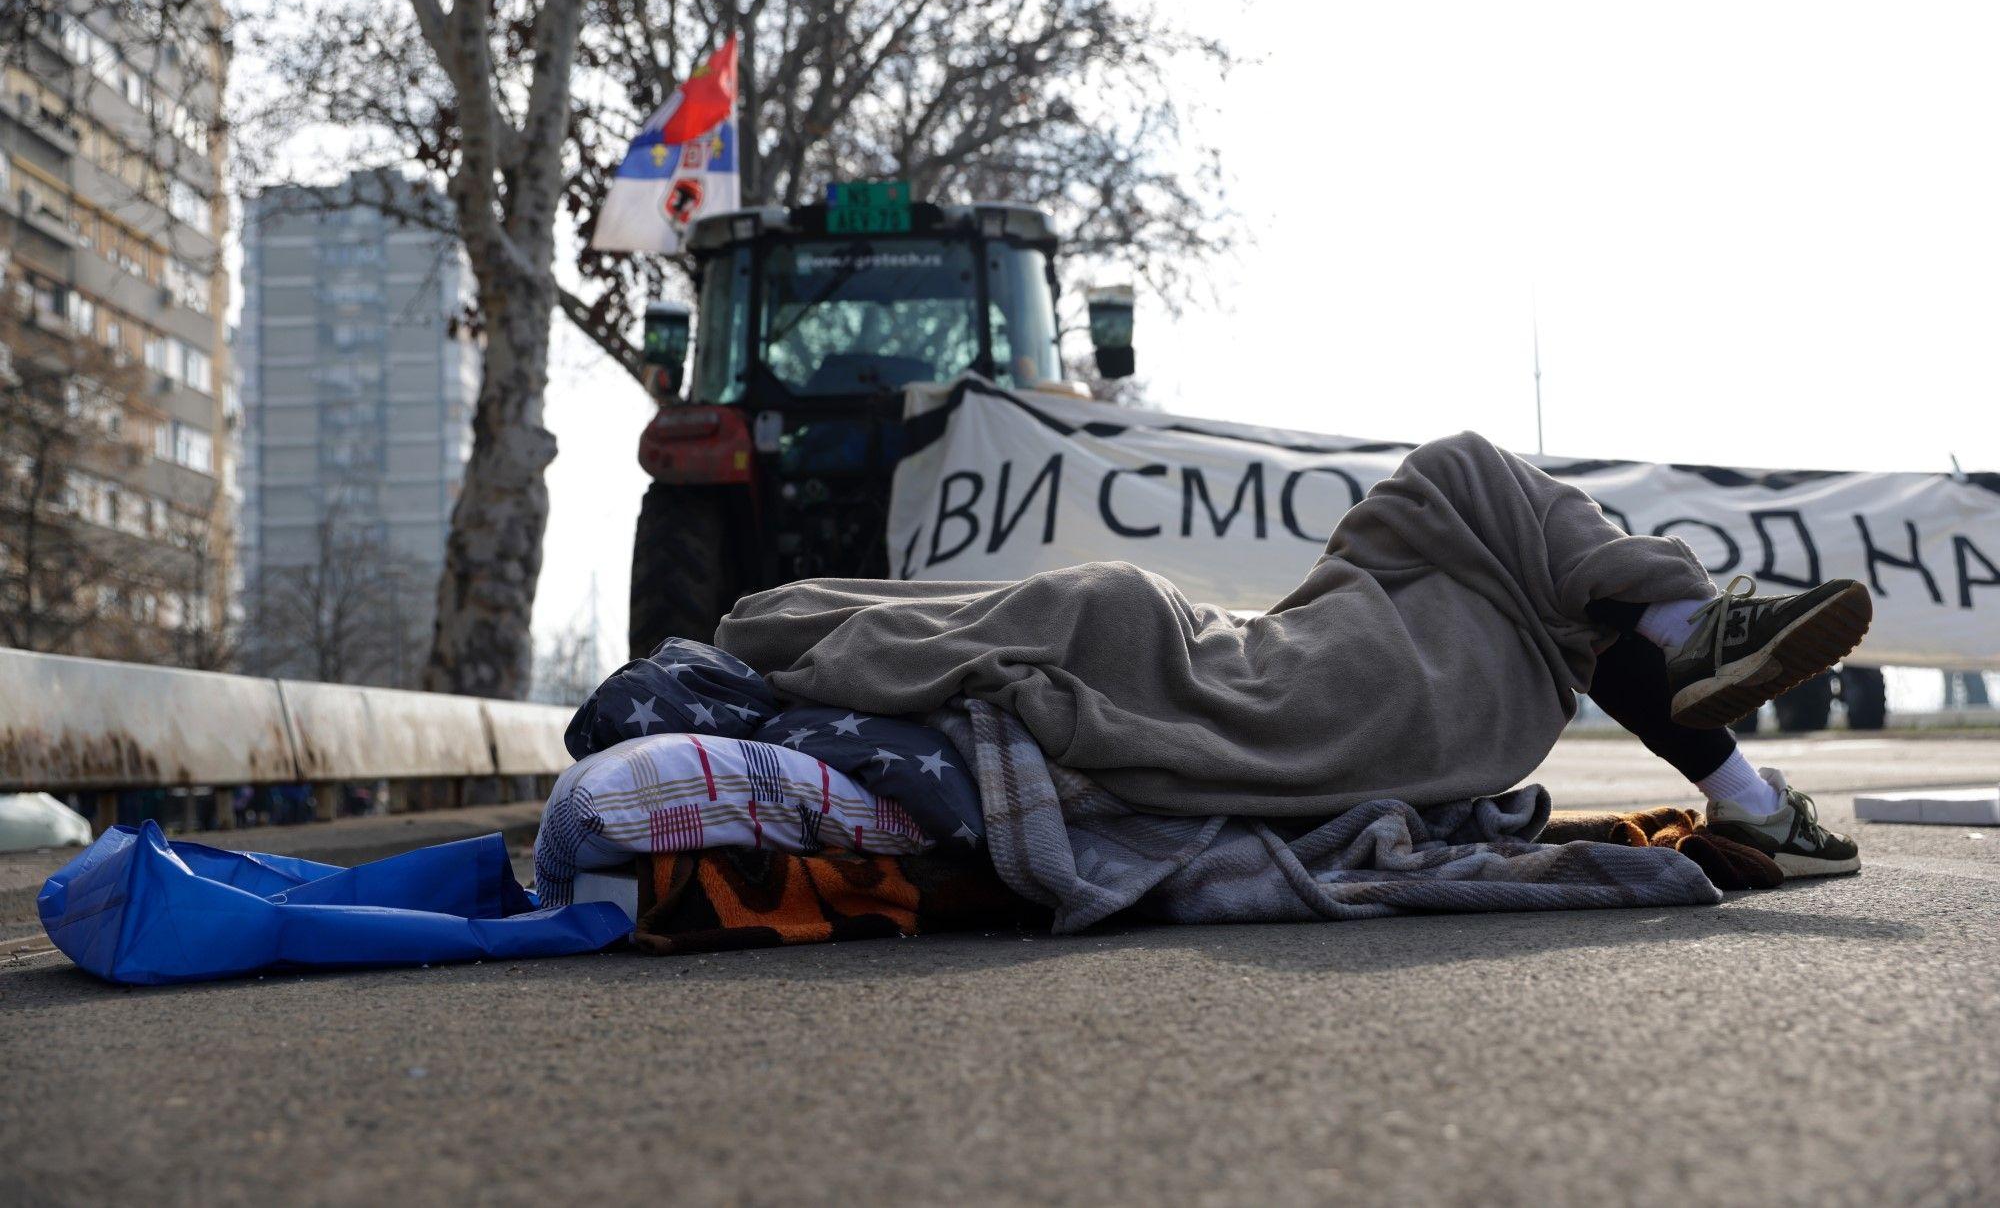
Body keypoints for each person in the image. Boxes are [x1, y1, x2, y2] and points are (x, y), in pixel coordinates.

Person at [718, 430, 1869, 878]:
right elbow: (765, 627)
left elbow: (784, 625)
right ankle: (1697, 643)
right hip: (1335, 689)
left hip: (1351, 672)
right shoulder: (1057, 634)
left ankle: (1732, 751)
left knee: (1516, 545)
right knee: (1461, 474)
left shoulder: (995, 643)